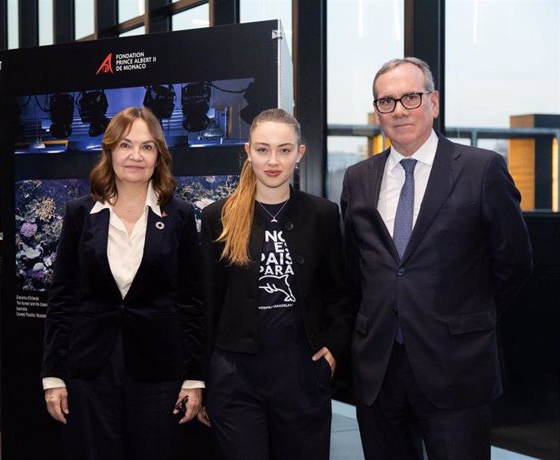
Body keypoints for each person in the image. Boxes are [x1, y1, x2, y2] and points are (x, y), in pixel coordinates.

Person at [341, 57, 533, 460]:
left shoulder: (482, 169)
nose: (399, 110)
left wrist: (467, 318)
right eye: (387, 101)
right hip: (377, 367)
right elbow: (355, 267)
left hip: (456, 366)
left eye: (411, 97)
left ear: (434, 102)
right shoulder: (358, 177)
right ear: (377, 112)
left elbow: (514, 262)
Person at [41, 107, 205, 460]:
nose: (135, 156)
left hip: (159, 370)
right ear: (110, 151)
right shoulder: (79, 214)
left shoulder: (180, 215)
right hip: (91, 369)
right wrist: (53, 376)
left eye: (147, 147)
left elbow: (192, 301)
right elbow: (63, 299)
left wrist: (194, 378)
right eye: (126, 145)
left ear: (158, 156)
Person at [199, 108, 354, 459]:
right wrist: (204, 379)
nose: (273, 160)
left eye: (284, 150)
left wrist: (333, 348)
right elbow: (206, 303)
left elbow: (341, 293)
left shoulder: (323, 215)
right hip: (234, 376)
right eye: (263, 149)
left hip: (301, 372)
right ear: (248, 152)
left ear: (300, 153)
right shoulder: (218, 217)